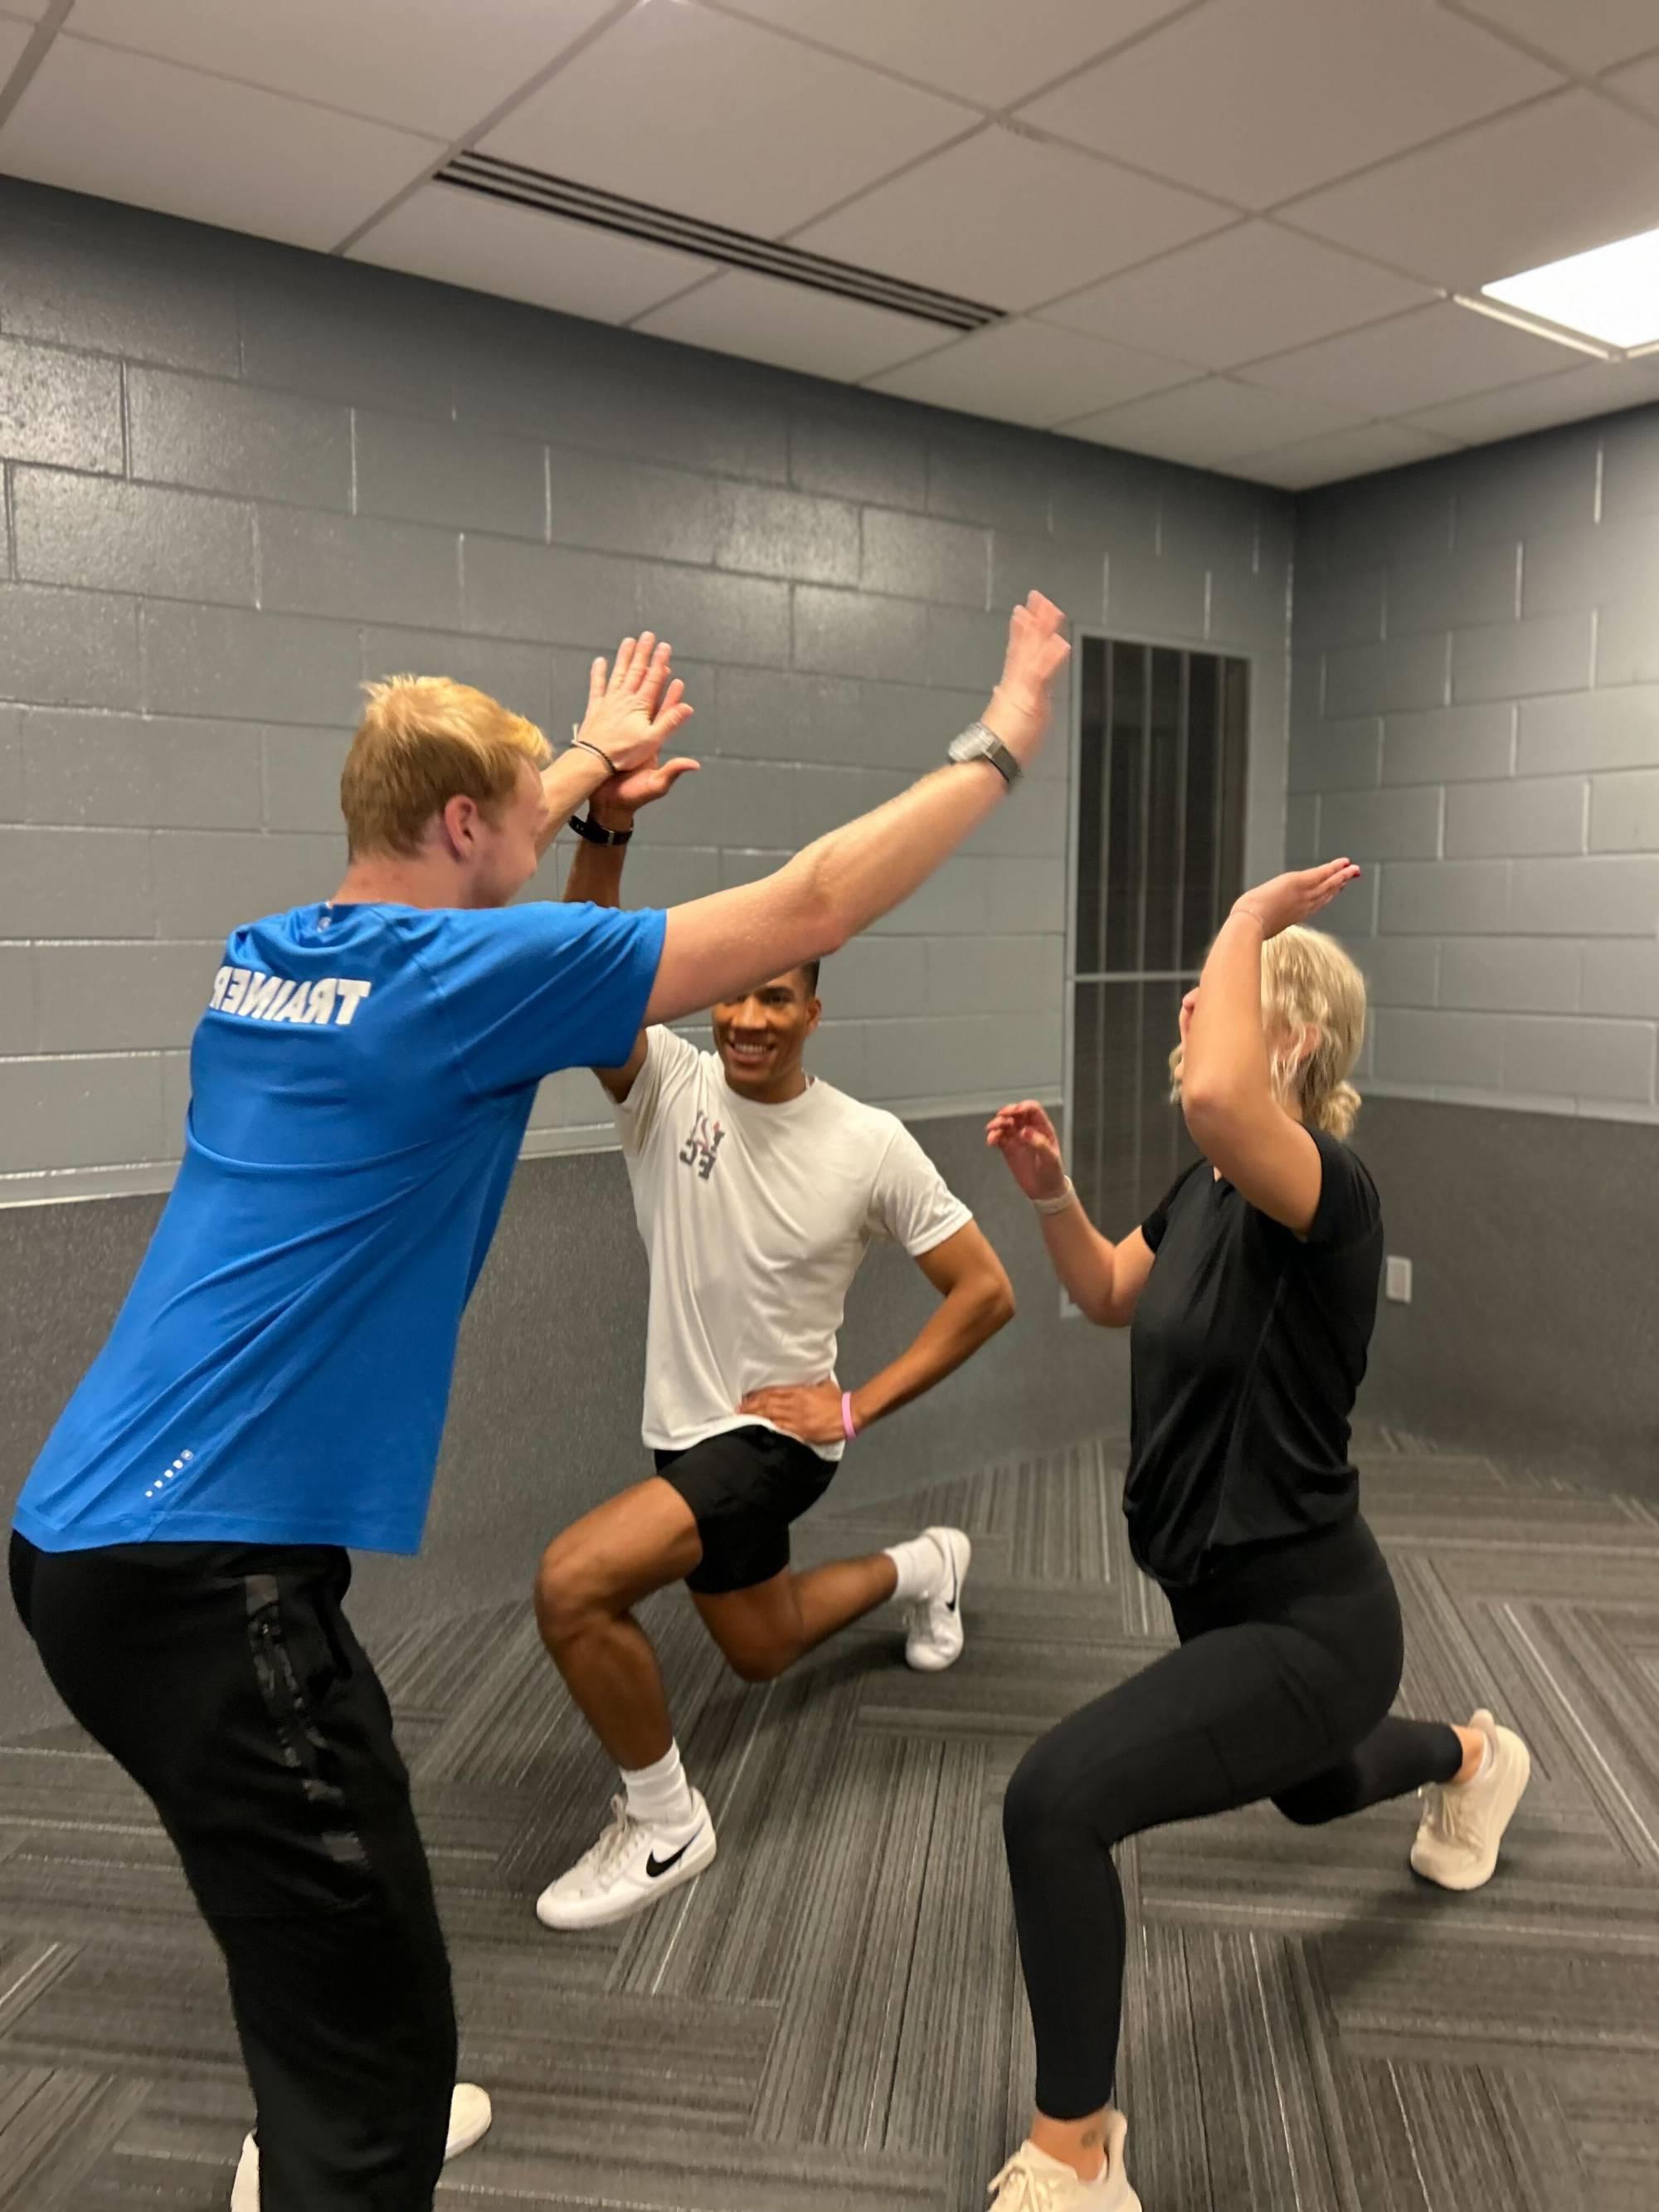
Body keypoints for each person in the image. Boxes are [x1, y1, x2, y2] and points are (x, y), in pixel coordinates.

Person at [8, 592, 1069, 2212]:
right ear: (459, 823)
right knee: (378, 2002)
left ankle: (333, 2100)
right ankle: (337, 2146)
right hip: (204, 1577)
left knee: (298, 1902)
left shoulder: (273, 958)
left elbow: (518, 912)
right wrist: (1000, 737)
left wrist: (583, 779)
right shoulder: (452, 981)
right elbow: (808, 895)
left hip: (82, 1539)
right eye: (520, 819)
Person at [980, 863, 1532, 2211]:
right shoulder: (1211, 1186)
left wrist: (1243, 913)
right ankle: (1474, 1750)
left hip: (1315, 1619)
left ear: (1288, 1039)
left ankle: (1075, 2151)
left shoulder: (1331, 1200)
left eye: (1221, 997)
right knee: (1314, 1785)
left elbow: (1223, 1089)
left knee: (1056, 1802)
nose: (1188, 1011)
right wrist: (1053, 1194)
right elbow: (1115, 1289)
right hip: (1219, 1603)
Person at [531, 774, 1016, 1932]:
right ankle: (927, 1567)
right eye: (731, 1000)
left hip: (772, 1439)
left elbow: (984, 1290)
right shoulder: (666, 1091)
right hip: (681, 1432)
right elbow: (585, 964)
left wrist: (853, 1409)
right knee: (763, 1644)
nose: (745, 1018)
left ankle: (663, 1821)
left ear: (810, 1011)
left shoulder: (868, 1143)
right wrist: (609, 826)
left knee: (572, 1585)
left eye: (775, 997)